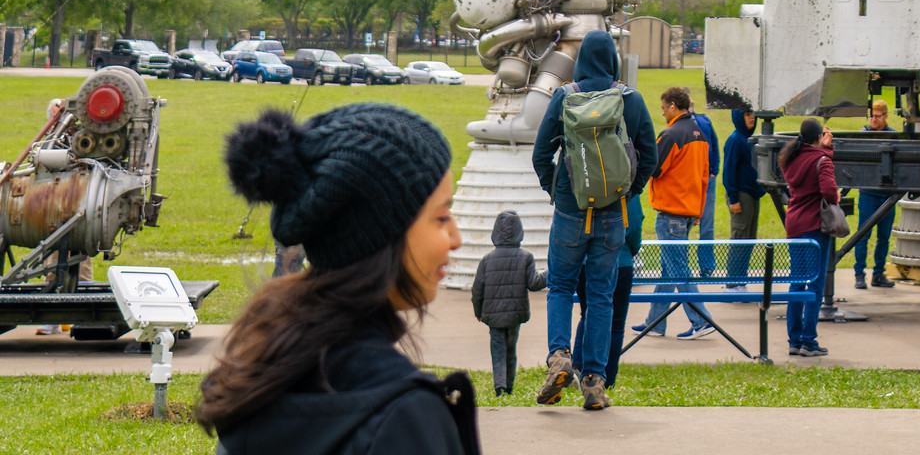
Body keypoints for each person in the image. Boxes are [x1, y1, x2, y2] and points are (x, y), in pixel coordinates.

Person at [197, 102, 478, 452]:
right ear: (380, 237)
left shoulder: (261, 382)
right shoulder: (404, 417)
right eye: (441, 217)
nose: (456, 238)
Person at [532, 27, 657, 409]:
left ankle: (559, 358)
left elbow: (540, 153)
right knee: (601, 297)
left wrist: (558, 193)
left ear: (581, 59)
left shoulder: (564, 96)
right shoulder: (630, 100)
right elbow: (650, 156)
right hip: (611, 216)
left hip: (571, 211)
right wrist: (626, 192)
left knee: (561, 287)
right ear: (614, 59)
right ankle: (593, 384)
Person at [648, 88, 714, 339]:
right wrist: (698, 211)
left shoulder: (671, 133)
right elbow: (704, 175)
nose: (662, 112)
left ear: (674, 106)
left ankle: (701, 320)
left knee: (678, 269)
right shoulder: (700, 134)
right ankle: (655, 323)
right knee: (669, 269)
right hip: (687, 210)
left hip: (670, 211)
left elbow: (654, 169)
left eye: (664, 107)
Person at [779, 117, 838, 358]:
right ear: (818, 137)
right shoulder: (822, 160)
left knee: (797, 282)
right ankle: (809, 340)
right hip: (814, 225)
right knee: (815, 284)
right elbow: (829, 192)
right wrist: (827, 152)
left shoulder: (790, 158)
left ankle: (794, 339)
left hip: (794, 223)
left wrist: (822, 150)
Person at [469, 211, 543, 399]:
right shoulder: (526, 257)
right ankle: (509, 386)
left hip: (493, 315)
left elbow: (477, 289)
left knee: (497, 350)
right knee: (511, 350)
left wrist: (478, 311)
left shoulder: (487, 260)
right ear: (520, 232)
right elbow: (534, 283)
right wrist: (551, 273)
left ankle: (500, 385)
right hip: (515, 315)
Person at [575, 193, 643, 393]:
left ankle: (578, 367)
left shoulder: (583, 181)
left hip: (585, 261)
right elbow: (635, 223)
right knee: (615, 324)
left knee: (587, 314)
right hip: (620, 260)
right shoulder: (627, 181)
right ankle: (607, 378)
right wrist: (630, 249)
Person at [853, 98, 897, 290]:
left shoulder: (893, 136)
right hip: (869, 193)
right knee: (863, 235)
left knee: (884, 237)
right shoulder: (864, 135)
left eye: (878, 116)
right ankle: (859, 274)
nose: (874, 119)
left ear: (886, 116)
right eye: (872, 115)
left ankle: (878, 273)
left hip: (887, 194)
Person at [724, 105, 763, 287]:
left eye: (753, 113)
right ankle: (732, 283)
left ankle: (741, 278)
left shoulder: (750, 139)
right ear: (739, 116)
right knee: (739, 237)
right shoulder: (735, 140)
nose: (752, 117)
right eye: (747, 114)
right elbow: (728, 171)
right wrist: (733, 199)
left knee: (749, 237)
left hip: (753, 194)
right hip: (740, 194)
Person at [690, 102, 722, 281]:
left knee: (707, 226)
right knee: (684, 225)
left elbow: (714, 146)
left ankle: (707, 268)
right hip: (690, 181)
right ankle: (682, 267)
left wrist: (713, 171)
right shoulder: (678, 127)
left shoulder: (704, 121)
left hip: (707, 180)